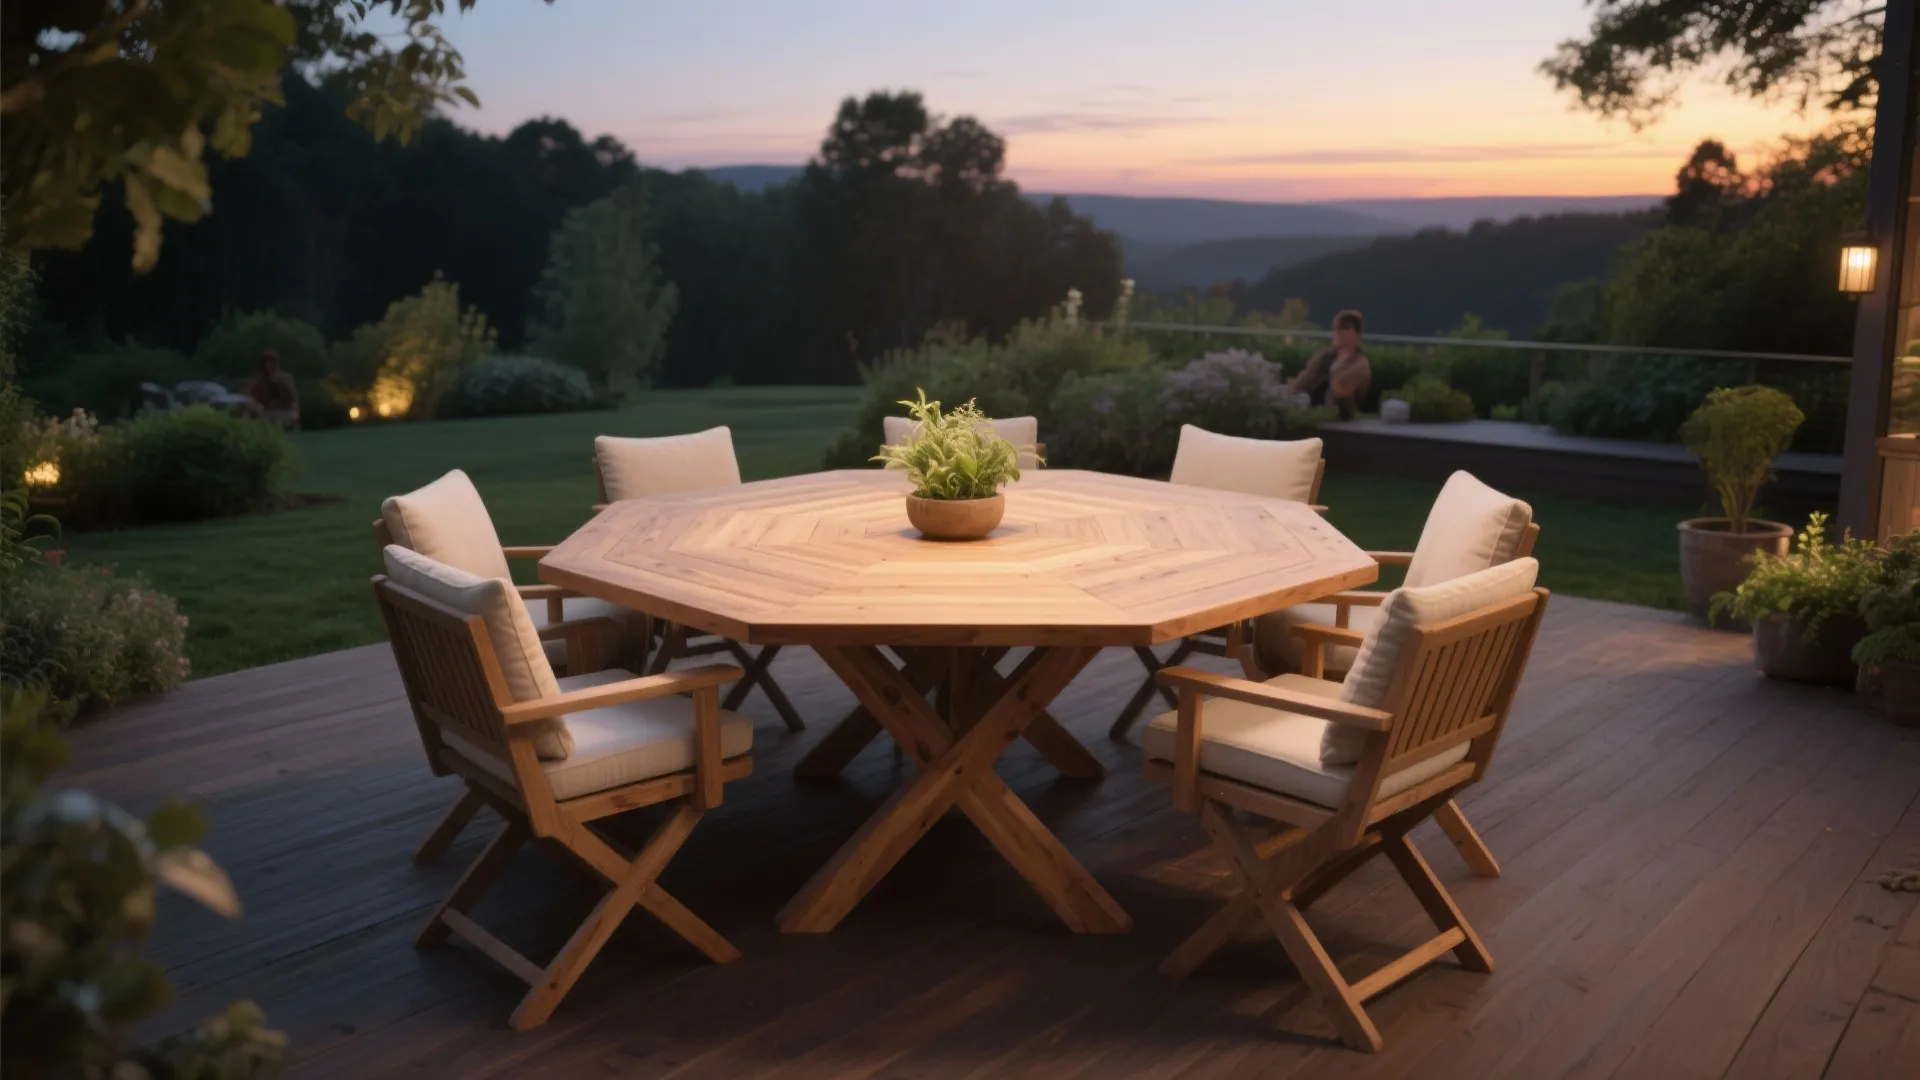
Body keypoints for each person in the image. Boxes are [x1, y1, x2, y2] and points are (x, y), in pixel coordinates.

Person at [1288, 309, 1372, 420]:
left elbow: (1347, 390)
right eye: (1338, 328)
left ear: (1357, 333)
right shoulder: (1326, 355)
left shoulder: (1360, 362)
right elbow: (1305, 379)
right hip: (1312, 408)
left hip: (1340, 413)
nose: (1340, 332)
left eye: (1346, 328)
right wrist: (1290, 392)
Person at [244, 348, 300, 430]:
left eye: (271, 362)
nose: (269, 365)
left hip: (283, 412)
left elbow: (293, 399)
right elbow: (251, 394)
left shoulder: (284, 379)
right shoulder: (260, 381)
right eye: (267, 362)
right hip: (267, 412)